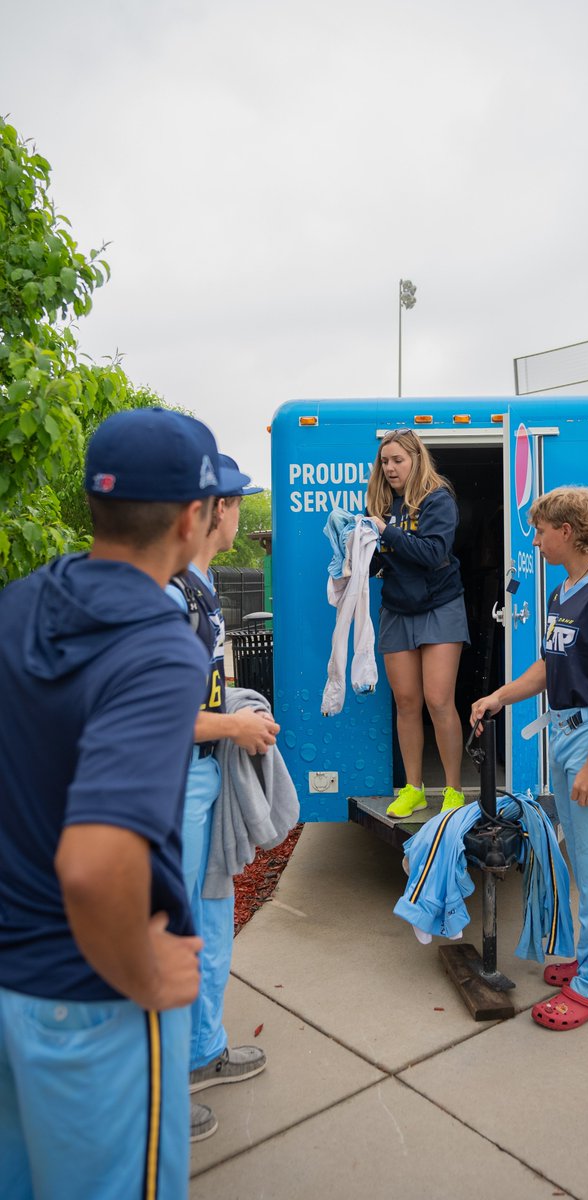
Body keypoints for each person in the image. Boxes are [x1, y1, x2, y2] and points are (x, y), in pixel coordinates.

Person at [0, 407, 224, 1199]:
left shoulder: (20, 604)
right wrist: (140, 973)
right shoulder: (159, 647)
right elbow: (95, 867)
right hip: (90, 1000)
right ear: (193, 519)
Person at [470, 486, 588, 1031]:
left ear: (567, 531)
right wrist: (500, 695)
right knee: (585, 866)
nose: (537, 539)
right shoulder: (563, 590)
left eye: (541, 529)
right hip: (569, 735)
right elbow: (550, 668)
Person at [166, 454, 279, 1139]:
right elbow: (154, 712)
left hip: (204, 777)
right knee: (173, 936)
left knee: (208, 925)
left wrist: (233, 708)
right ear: (216, 510)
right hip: (173, 784)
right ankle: (157, 1095)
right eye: (236, 502)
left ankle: (202, 1051)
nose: (239, 512)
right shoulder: (169, 593)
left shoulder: (202, 586)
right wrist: (235, 724)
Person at [366, 429, 469, 819]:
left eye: (397, 460)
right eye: (385, 461)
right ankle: (414, 790)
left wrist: (384, 530)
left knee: (438, 700)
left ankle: (454, 792)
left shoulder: (437, 499)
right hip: (396, 609)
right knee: (406, 702)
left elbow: (432, 552)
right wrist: (356, 552)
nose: (390, 468)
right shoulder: (381, 504)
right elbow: (382, 563)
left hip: (440, 606)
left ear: (416, 460)